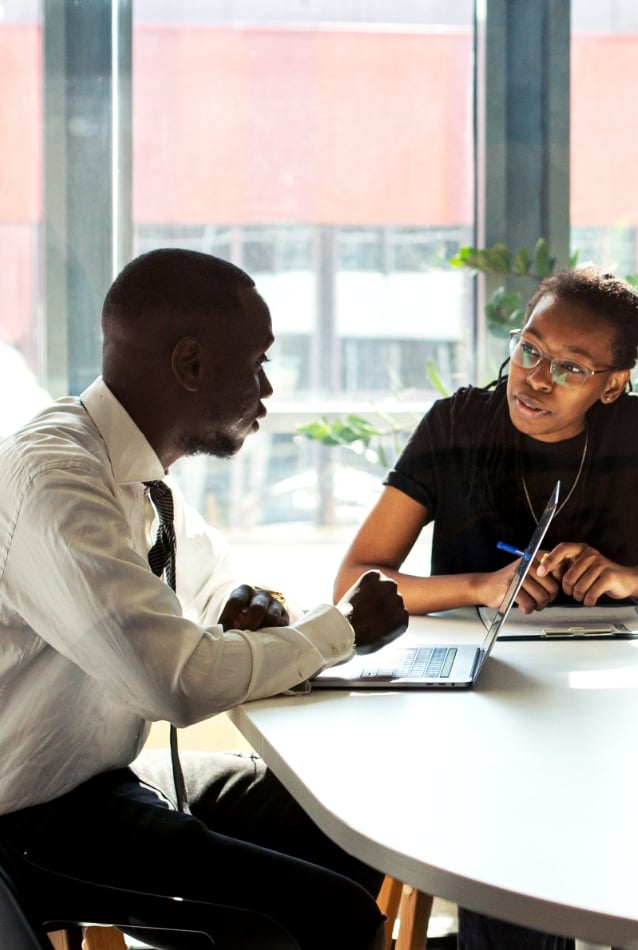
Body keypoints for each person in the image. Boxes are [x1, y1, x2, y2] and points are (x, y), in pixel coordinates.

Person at [332, 266, 638, 950]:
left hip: (616, 710)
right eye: (529, 349)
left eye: (570, 367)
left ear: (613, 383)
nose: (534, 378)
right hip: (486, 708)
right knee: (514, 835)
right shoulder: (458, 422)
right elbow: (356, 581)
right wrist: (480, 586)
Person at [0, 248, 409, 950]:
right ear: (190, 365)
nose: (269, 392)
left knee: (351, 822)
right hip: (31, 813)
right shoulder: (59, 483)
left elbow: (217, 586)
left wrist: (250, 609)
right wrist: (338, 629)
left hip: (100, 775)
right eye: (259, 363)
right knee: (327, 914)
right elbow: (177, 683)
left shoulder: (137, 475)